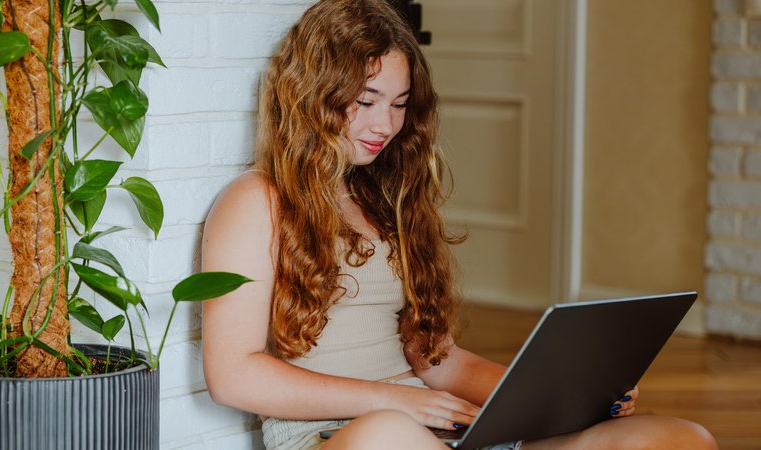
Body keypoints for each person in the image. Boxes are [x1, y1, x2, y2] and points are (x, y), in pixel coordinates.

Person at [201, 1, 718, 449]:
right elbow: (232, 375)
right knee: (387, 434)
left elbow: (438, 362)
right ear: (313, 91)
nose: (385, 125)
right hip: (346, 436)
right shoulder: (256, 200)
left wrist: (570, 397)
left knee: (682, 439)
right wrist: (395, 403)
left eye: (399, 105)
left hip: (437, 428)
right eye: (366, 101)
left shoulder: (385, 198)